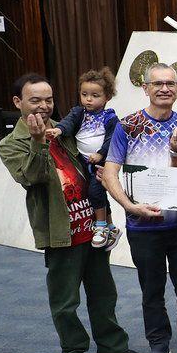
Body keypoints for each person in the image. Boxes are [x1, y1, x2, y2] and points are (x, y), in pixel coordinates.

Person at [0, 74, 139, 353]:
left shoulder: (66, 129)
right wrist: (38, 142)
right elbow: (31, 177)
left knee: (104, 293)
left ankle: (111, 345)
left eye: (48, 99)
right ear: (18, 102)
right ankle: (73, 352)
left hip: (93, 227)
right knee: (65, 301)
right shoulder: (11, 144)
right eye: (35, 100)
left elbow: (94, 158)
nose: (44, 106)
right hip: (61, 232)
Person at [103, 63, 177, 353]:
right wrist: (130, 207)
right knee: (151, 290)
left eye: (170, 83)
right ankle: (159, 345)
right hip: (142, 226)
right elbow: (110, 172)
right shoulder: (127, 126)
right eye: (157, 83)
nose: (164, 89)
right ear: (145, 88)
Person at [44, 67, 122, 250]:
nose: (88, 99)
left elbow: (112, 139)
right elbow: (68, 122)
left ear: (107, 97)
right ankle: (111, 227)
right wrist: (59, 130)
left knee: (96, 191)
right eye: (84, 94)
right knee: (94, 194)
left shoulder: (110, 117)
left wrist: (101, 154)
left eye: (95, 95)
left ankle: (100, 226)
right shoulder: (79, 112)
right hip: (80, 161)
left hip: (99, 163)